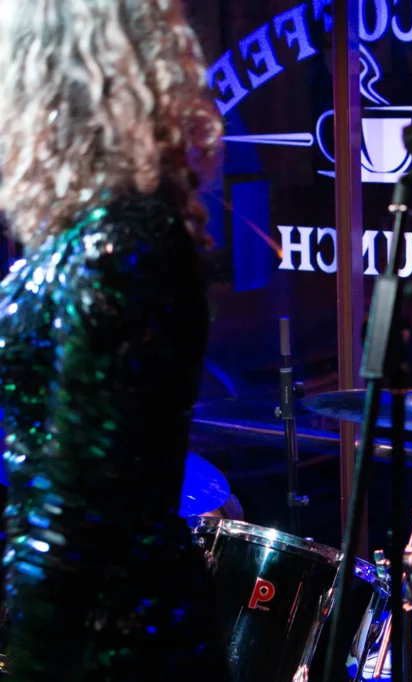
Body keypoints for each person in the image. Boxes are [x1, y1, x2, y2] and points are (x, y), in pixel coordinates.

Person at [0, 1, 227, 679]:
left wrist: (30, 661)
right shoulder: (95, 234)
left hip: (113, 642)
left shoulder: (122, 242)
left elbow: (78, 509)